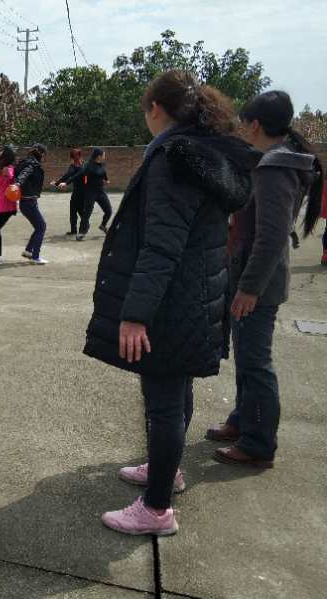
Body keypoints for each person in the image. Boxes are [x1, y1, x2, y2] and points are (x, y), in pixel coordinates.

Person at [83, 70, 260, 536]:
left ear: (156, 109)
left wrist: (135, 315)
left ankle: (156, 509)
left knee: (162, 400)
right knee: (176, 390)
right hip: (196, 295)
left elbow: (161, 244)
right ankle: (167, 470)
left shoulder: (173, 158)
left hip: (170, 301)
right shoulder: (209, 155)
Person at [206, 91, 323, 468]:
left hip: (257, 282)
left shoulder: (275, 167)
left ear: (254, 125)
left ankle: (258, 443)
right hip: (249, 275)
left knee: (255, 361)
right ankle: (242, 420)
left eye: (244, 124)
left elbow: (271, 236)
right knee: (246, 356)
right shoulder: (274, 161)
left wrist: (249, 288)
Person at [60, 148, 112, 240]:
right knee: (87, 213)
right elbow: (78, 175)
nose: (104, 157)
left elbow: (103, 173)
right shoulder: (88, 166)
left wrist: (106, 180)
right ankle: (81, 232)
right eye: (103, 155)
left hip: (101, 192)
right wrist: (66, 183)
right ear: (98, 156)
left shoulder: (102, 164)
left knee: (109, 211)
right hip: (91, 192)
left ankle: (103, 225)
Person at [13, 143, 48, 265]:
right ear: (41, 154)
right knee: (42, 226)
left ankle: (28, 251)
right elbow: (24, 174)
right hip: (29, 202)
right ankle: (35, 257)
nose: (44, 157)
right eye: (44, 154)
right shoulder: (32, 164)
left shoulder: (25, 162)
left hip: (27, 202)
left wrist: (17, 183)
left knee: (39, 227)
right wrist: (17, 183)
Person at [52, 149, 86, 237]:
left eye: (73, 156)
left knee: (79, 210)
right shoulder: (77, 165)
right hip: (78, 191)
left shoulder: (81, 166)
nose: (73, 158)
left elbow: (73, 176)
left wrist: (64, 183)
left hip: (82, 192)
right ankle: (74, 230)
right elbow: (67, 175)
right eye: (73, 157)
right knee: (74, 210)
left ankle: (84, 225)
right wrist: (57, 183)